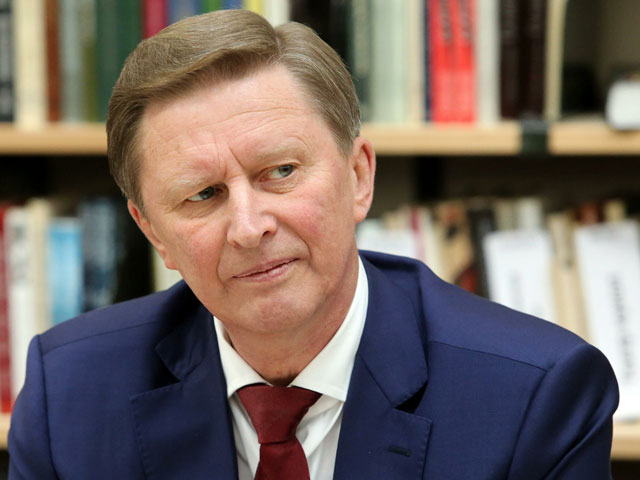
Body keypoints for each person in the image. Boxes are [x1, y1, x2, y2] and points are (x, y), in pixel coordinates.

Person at [9, 9, 618, 480]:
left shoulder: (534, 395)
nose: (249, 227)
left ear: (358, 177)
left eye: (280, 172)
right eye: (203, 195)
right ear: (153, 233)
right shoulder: (68, 394)